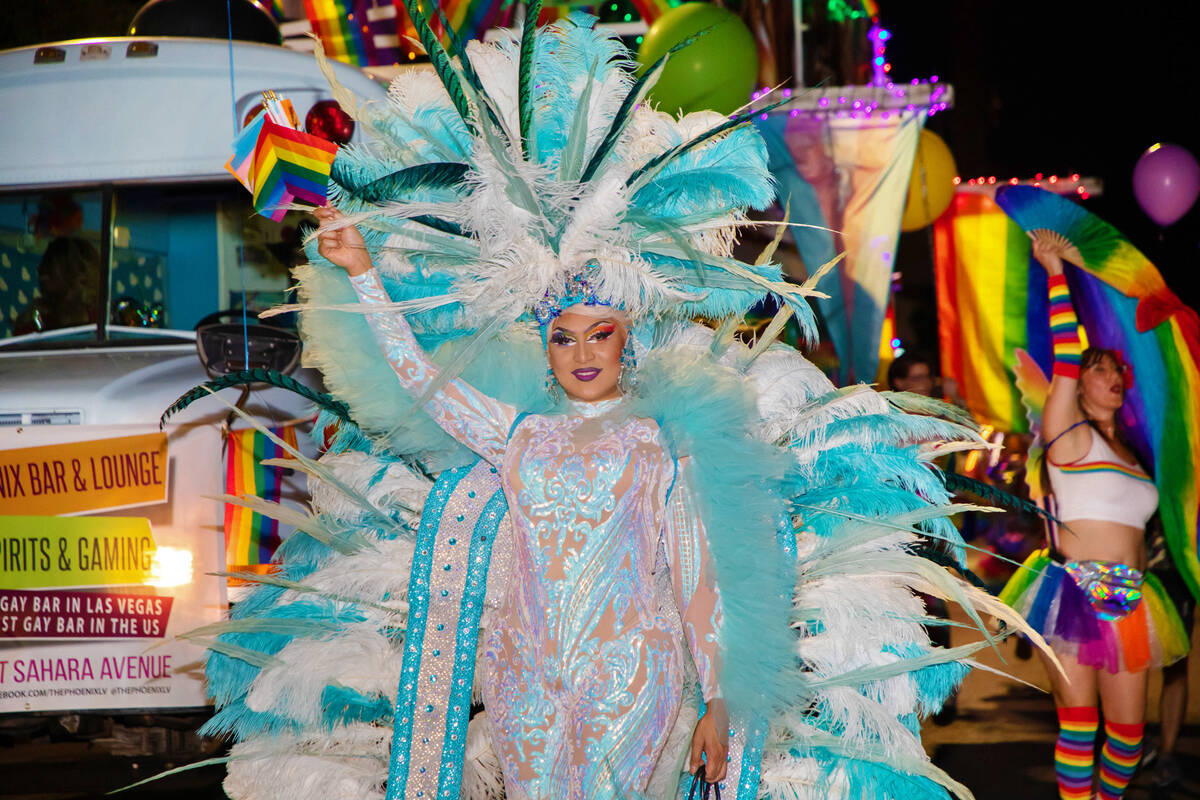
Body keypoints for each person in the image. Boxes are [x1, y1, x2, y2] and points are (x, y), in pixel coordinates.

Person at [314, 204, 730, 795]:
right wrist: (361, 272)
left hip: (628, 666)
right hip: (523, 672)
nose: (583, 355)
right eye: (564, 338)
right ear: (546, 347)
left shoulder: (661, 440)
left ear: (626, 341)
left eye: (600, 335)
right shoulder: (518, 432)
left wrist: (718, 696)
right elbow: (416, 375)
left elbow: (698, 577)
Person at [999, 232, 1189, 800]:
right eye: (1101, 369)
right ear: (1079, 383)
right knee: (1079, 729)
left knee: (1129, 739)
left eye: (1118, 371)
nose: (1115, 377)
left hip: (1134, 596)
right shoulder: (1068, 433)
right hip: (1075, 595)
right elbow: (1062, 354)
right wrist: (1056, 272)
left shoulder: (1133, 451)